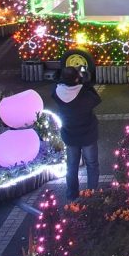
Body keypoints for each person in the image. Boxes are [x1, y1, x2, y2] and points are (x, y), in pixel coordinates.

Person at [51, 66, 101, 199]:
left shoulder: (57, 92)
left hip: (70, 134)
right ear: (76, 78)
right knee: (92, 164)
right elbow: (96, 100)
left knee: (72, 165)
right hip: (87, 134)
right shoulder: (83, 93)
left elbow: (55, 89)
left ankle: (72, 194)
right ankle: (91, 195)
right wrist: (87, 84)